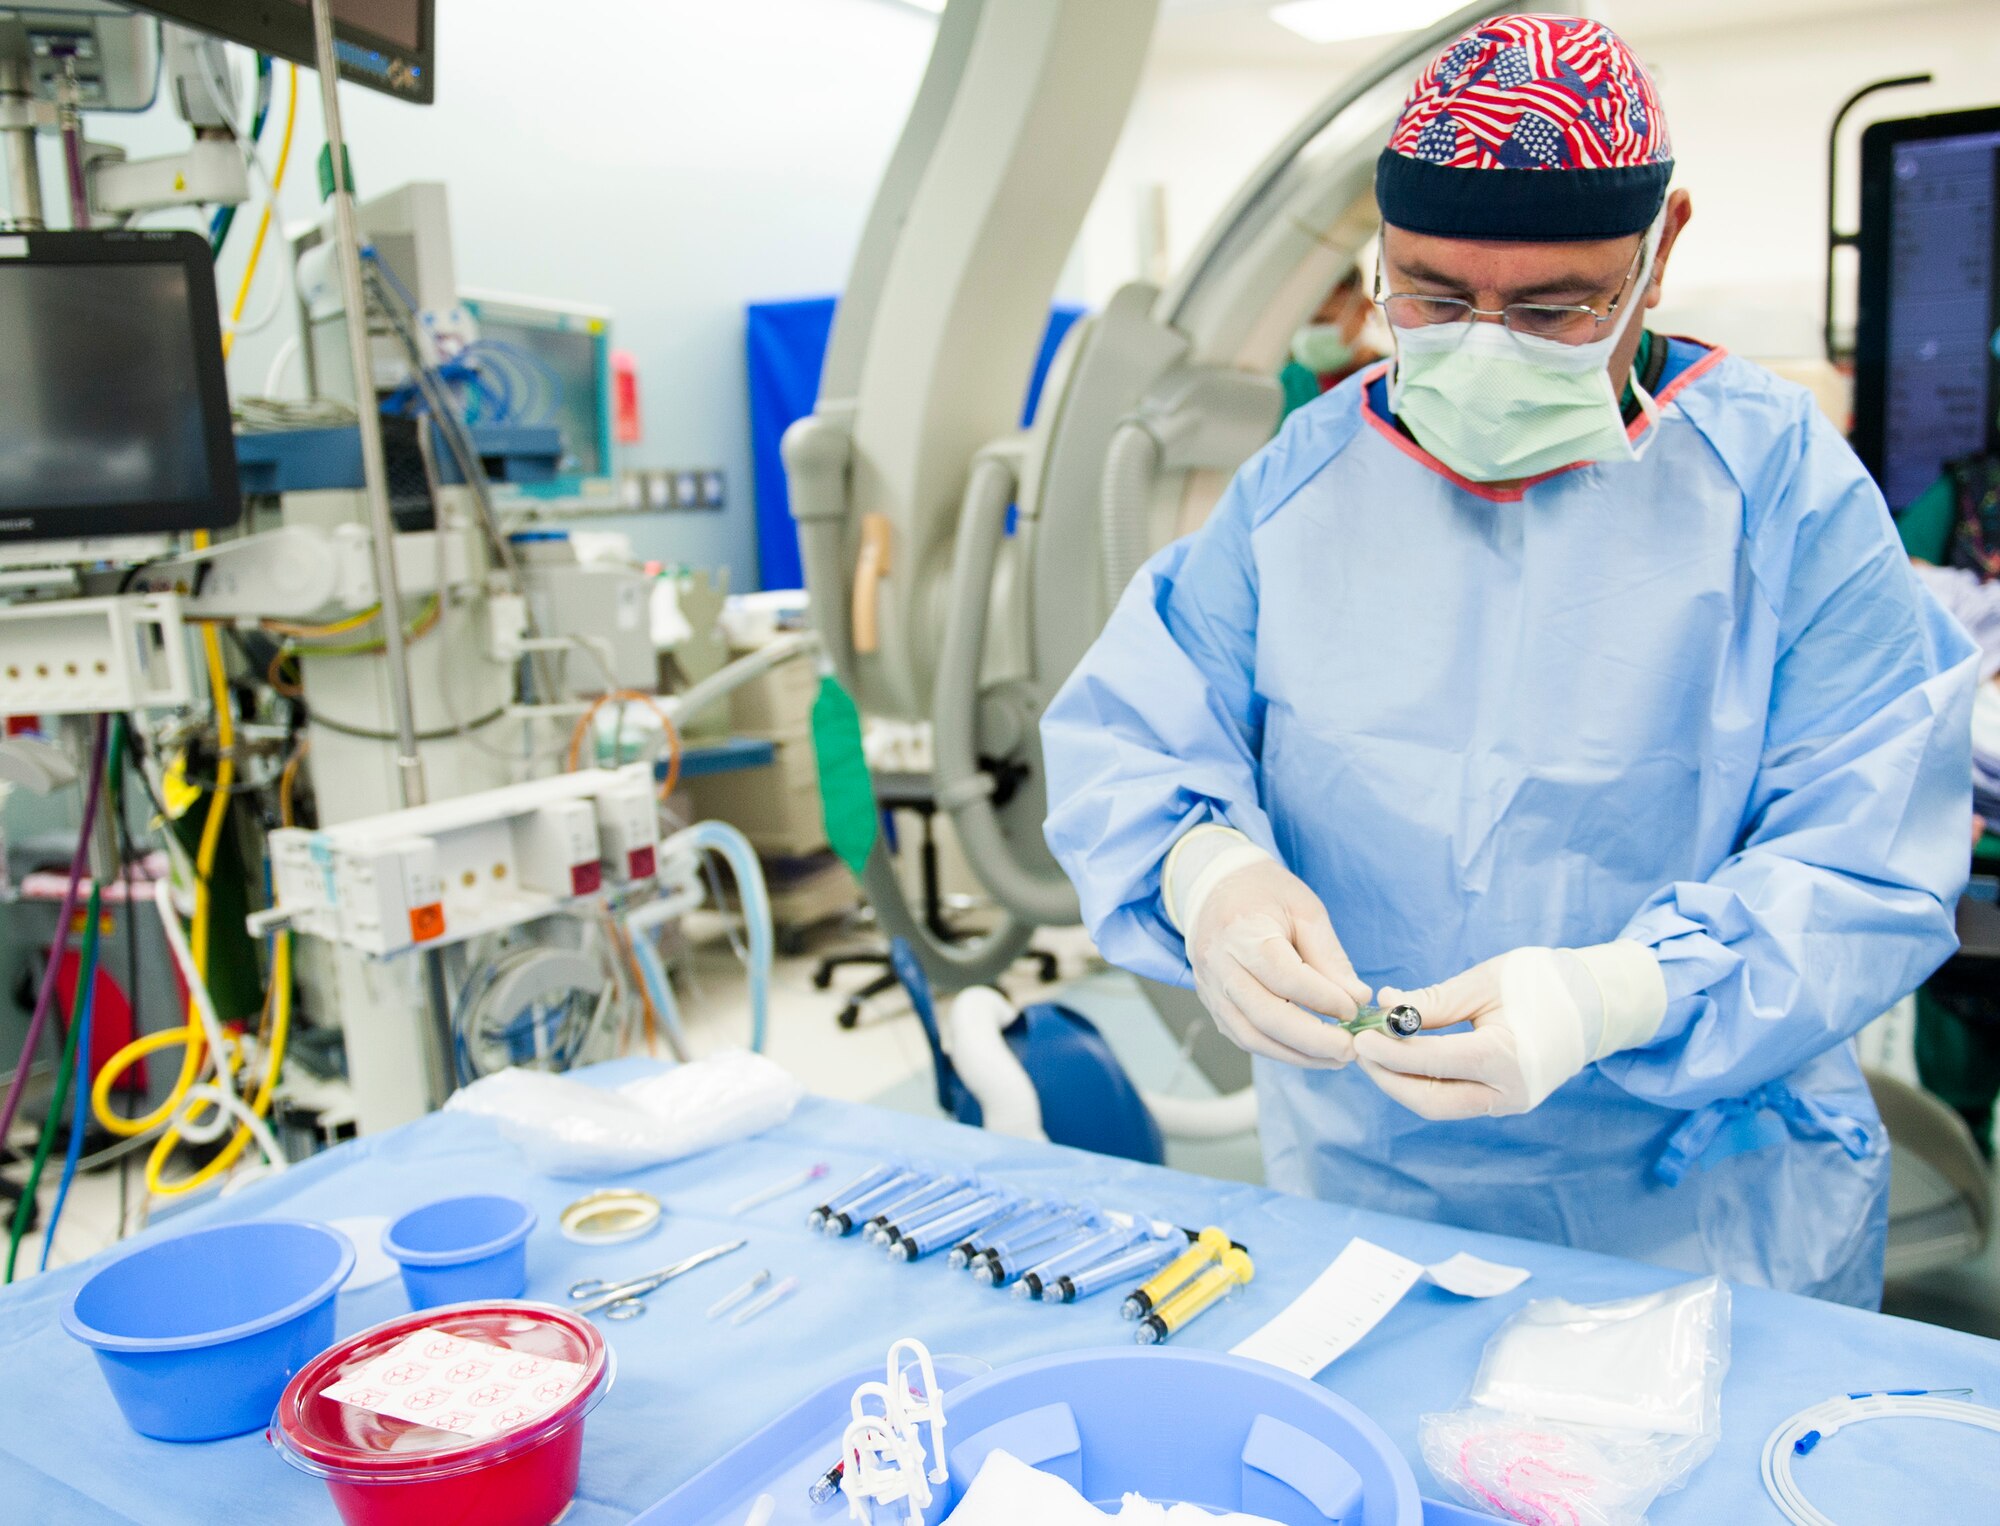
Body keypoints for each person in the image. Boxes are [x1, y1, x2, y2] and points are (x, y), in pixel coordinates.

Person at [1040, 14, 1976, 1308]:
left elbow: (1867, 859)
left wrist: (1623, 992)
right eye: (1428, 294)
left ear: (1661, 253)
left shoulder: (1784, 499)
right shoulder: (1299, 494)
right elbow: (1134, 732)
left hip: (1707, 1221)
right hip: (1372, 1195)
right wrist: (1208, 874)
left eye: (1551, 308)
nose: (1482, 348)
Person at [1279, 271, 1381, 419]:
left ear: (1364, 309)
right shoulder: (1287, 384)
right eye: (1299, 324)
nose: (1308, 334)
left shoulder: (1391, 382)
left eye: (1321, 321)